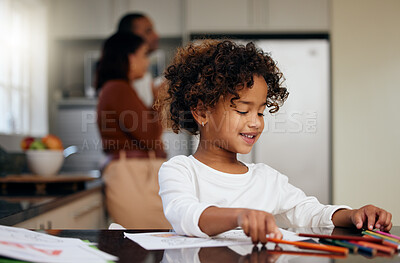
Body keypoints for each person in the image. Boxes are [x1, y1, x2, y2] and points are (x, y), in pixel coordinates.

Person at [156, 39, 392, 243]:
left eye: (260, 112)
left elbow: (308, 211)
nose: (256, 123)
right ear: (201, 112)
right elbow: (184, 214)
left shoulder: (267, 179)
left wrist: (352, 215)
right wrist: (239, 216)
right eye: (242, 111)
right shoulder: (181, 171)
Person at [96, 32, 170, 229]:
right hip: (134, 177)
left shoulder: (118, 88)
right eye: (144, 55)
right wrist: (160, 100)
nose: (147, 62)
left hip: (134, 175)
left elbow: (145, 130)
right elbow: (151, 135)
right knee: (146, 245)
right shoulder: (118, 89)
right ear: (130, 57)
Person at [117, 13, 161, 108]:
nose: (156, 35)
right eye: (148, 31)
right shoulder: (122, 86)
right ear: (131, 38)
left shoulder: (142, 74)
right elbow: (140, 120)